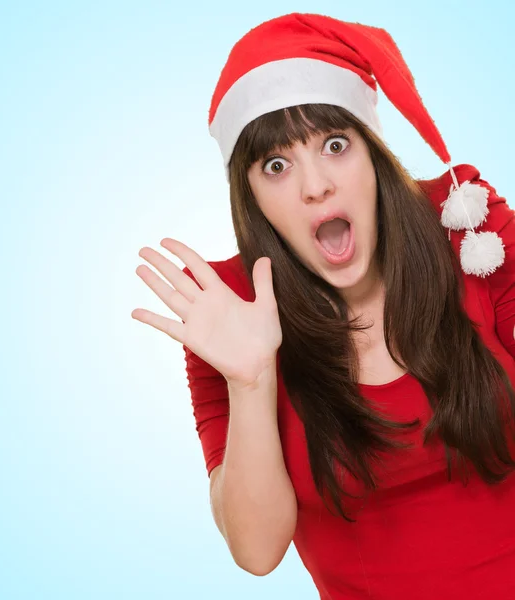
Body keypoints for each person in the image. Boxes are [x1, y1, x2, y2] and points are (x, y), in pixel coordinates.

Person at [132, 12, 515, 600]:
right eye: (277, 165)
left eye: (335, 145)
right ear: (252, 196)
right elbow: (257, 551)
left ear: (373, 154)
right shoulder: (227, 311)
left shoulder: (469, 230)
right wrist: (252, 379)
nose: (315, 186)